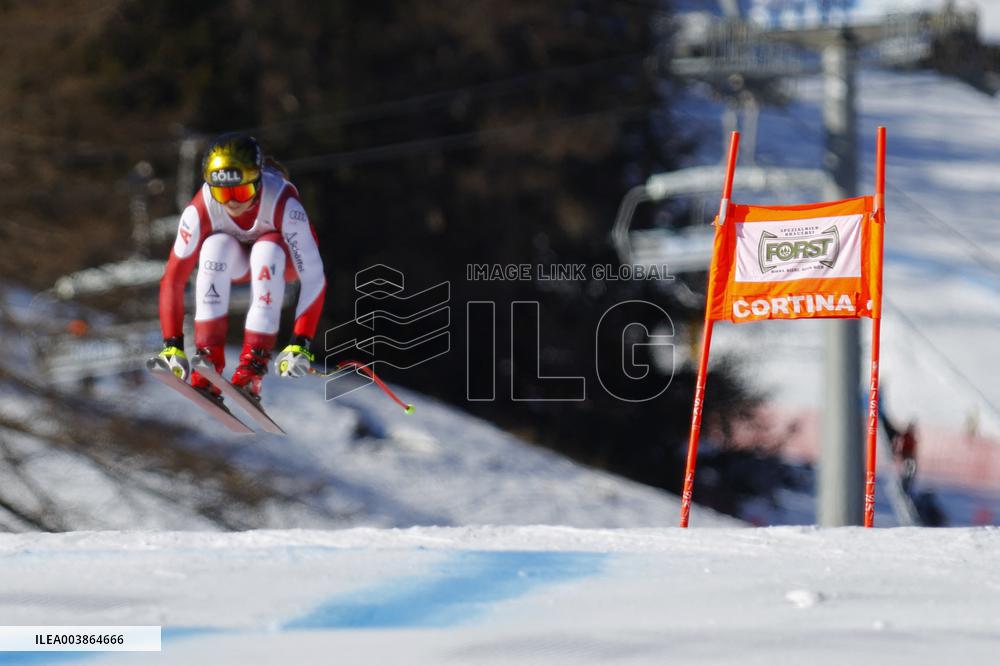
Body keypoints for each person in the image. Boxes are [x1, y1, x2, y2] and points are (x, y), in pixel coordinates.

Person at [155, 132, 326, 403]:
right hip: (235, 263)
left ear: (258, 182)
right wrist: (172, 345)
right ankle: (208, 358)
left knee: (266, 249)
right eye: (223, 192)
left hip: (281, 262)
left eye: (241, 191)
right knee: (214, 246)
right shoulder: (200, 208)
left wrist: (300, 342)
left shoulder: (284, 203)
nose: (232, 202)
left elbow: (314, 278)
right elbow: (173, 279)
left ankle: (253, 366)